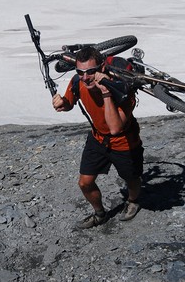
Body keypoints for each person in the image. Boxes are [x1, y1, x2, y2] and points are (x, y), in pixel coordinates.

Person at [52, 46, 144, 229]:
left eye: (90, 72)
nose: (85, 77)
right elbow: (70, 101)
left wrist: (106, 92)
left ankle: (133, 201)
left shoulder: (123, 89)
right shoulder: (78, 81)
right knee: (85, 183)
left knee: (131, 178)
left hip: (124, 142)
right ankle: (100, 214)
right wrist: (63, 102)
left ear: (102, 68)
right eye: (80, 72)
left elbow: (116, 128)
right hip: (97, 139)